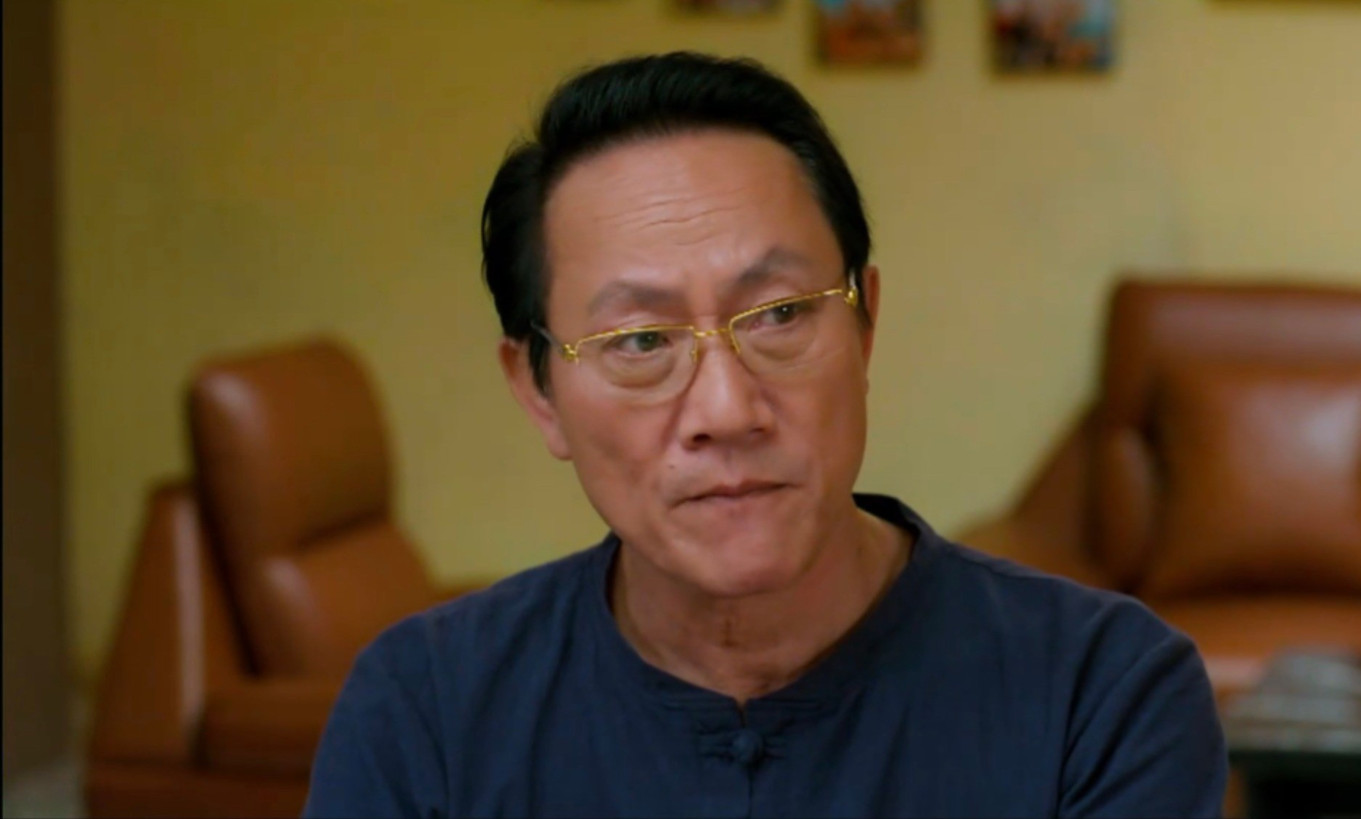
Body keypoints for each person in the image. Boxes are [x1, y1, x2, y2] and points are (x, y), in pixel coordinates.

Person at [303, 51, 1226, 818]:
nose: (726, 409)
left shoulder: (1102, 694)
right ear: (538, 392)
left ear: (865, 324)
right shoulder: (426, 712)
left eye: (780, 313)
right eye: (641, 340)